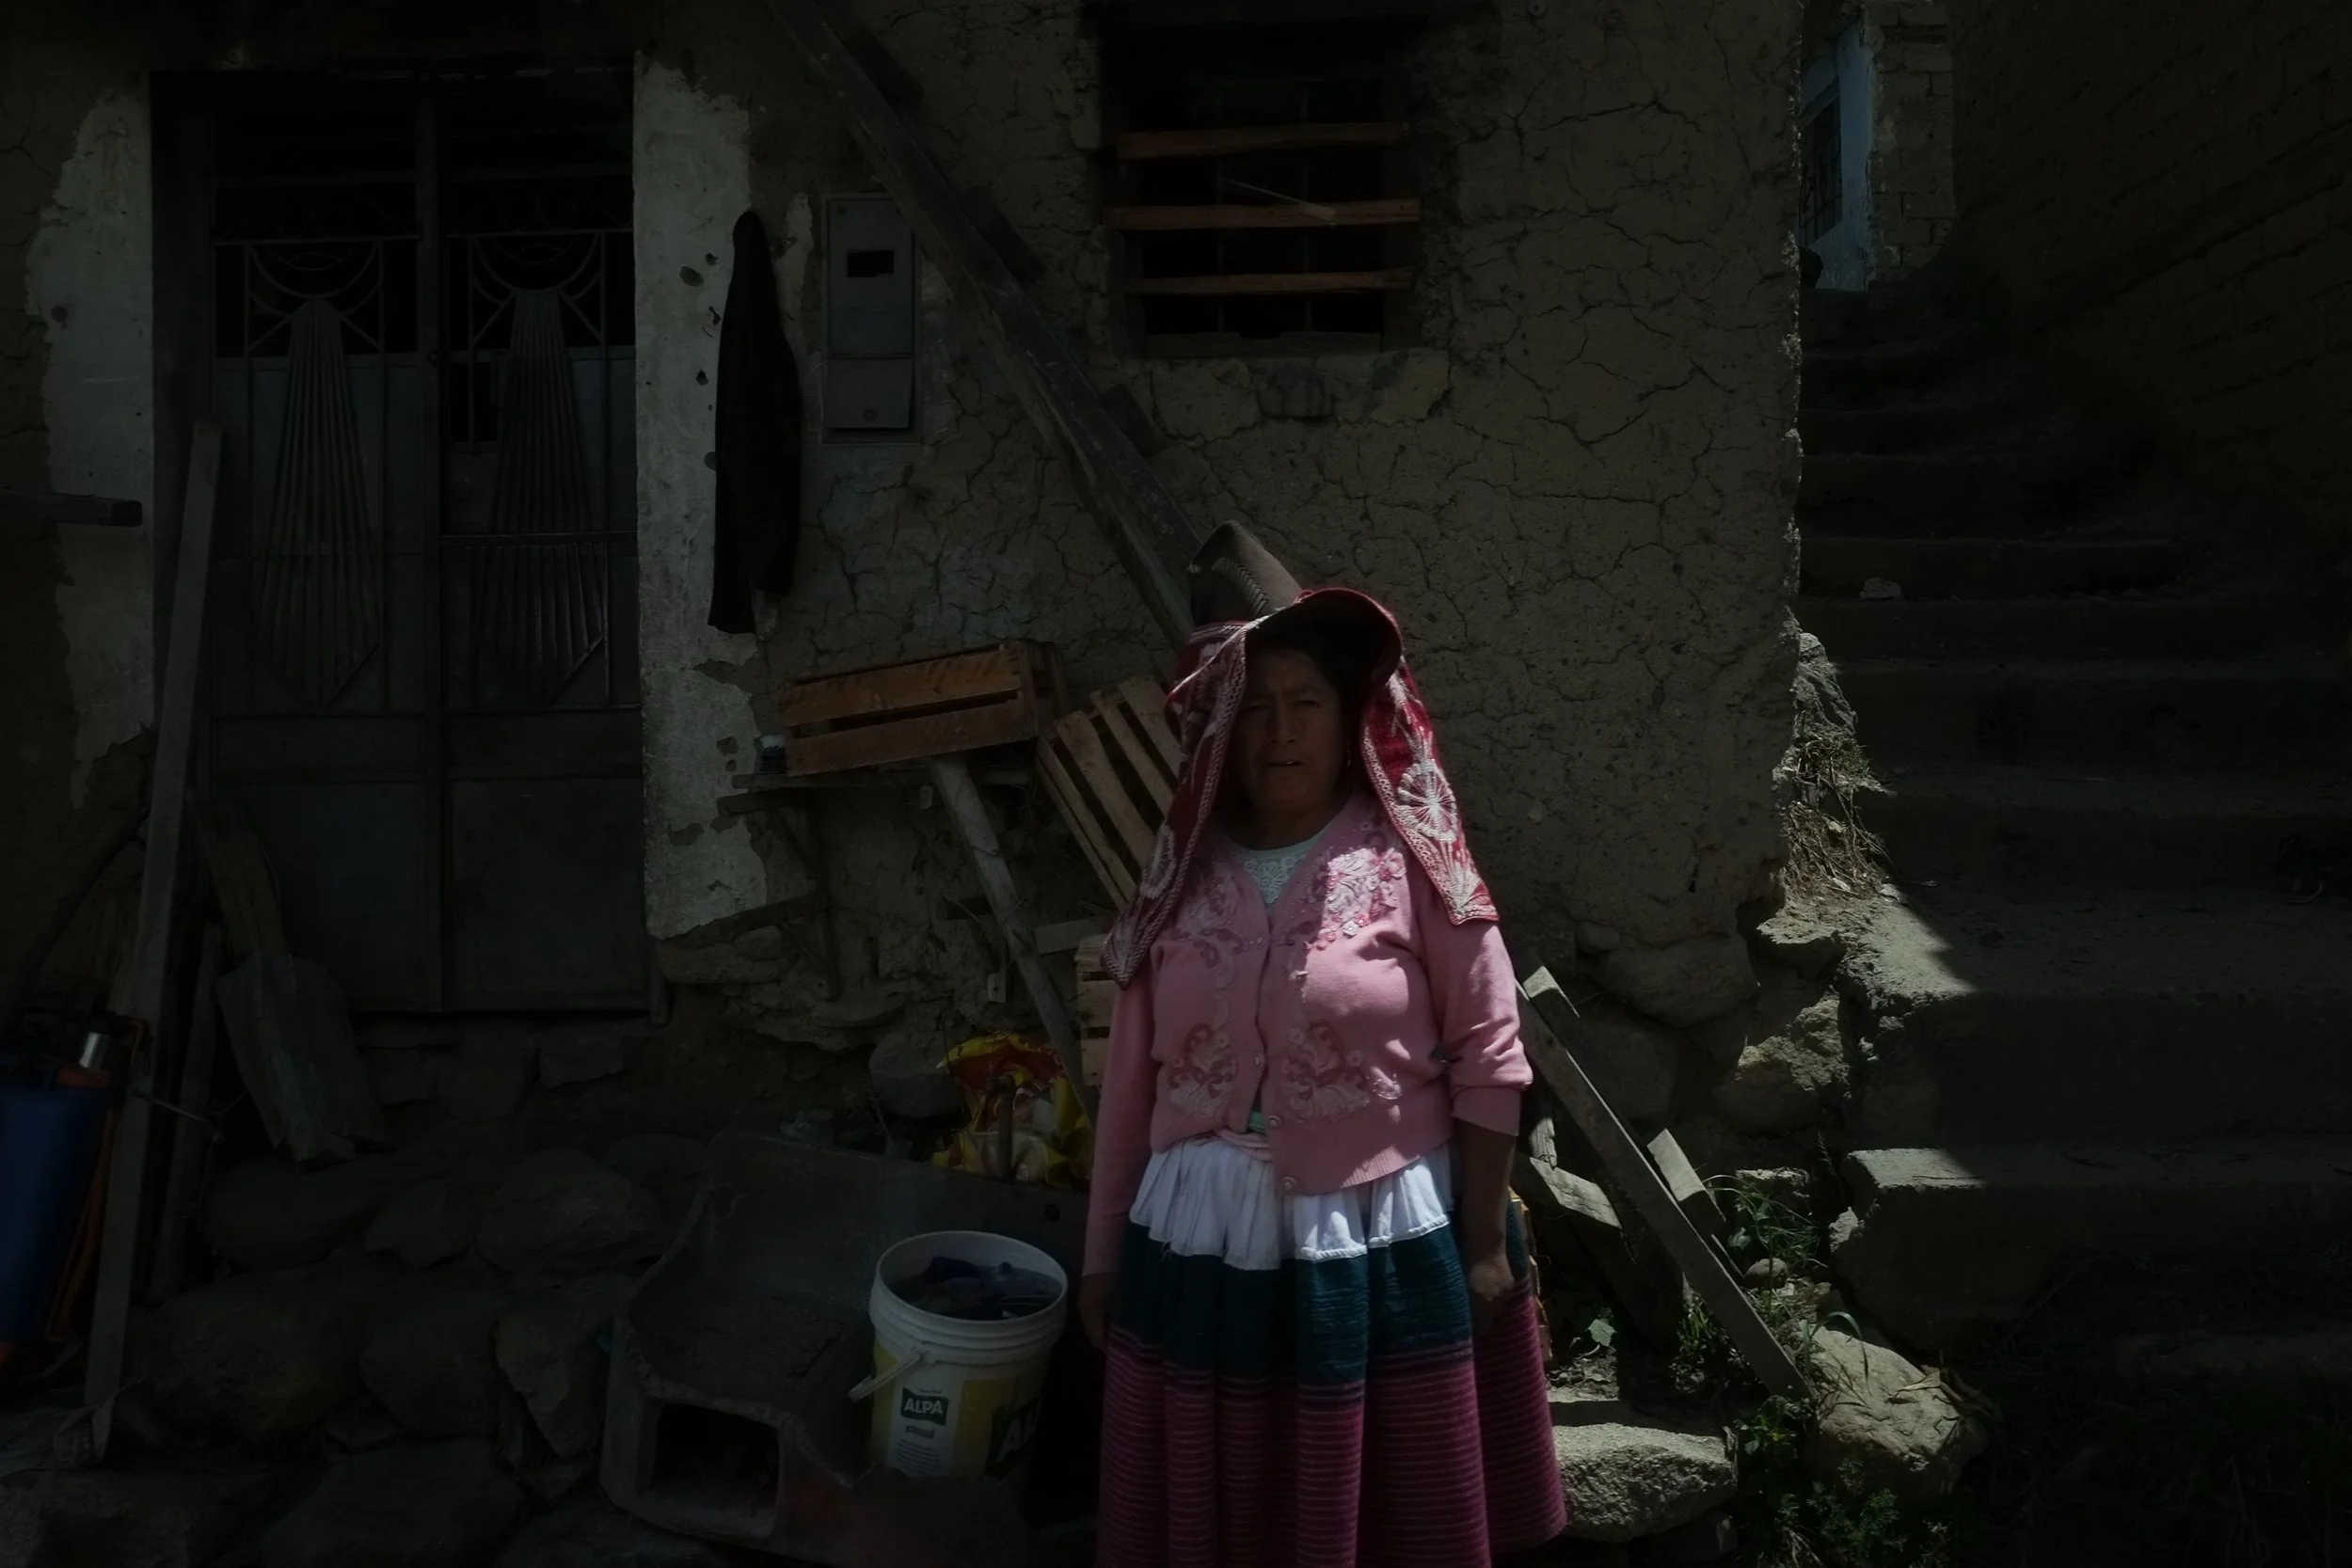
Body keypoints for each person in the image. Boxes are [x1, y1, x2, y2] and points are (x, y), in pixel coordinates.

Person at [1079, 524, 1567, 1567]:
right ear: (1217, 732)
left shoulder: (1414, 860)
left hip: (1378, 1238)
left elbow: (1490, 1054)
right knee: (1229, 1517)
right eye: (1250, 707)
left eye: (1303, 702)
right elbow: (1129, 1088)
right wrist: (1102, 1255)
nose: (1278, 732)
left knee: (1383, 1516)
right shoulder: (1177, 882)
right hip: (1201, 1245)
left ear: (1349, 718)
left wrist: (1482, 1240)